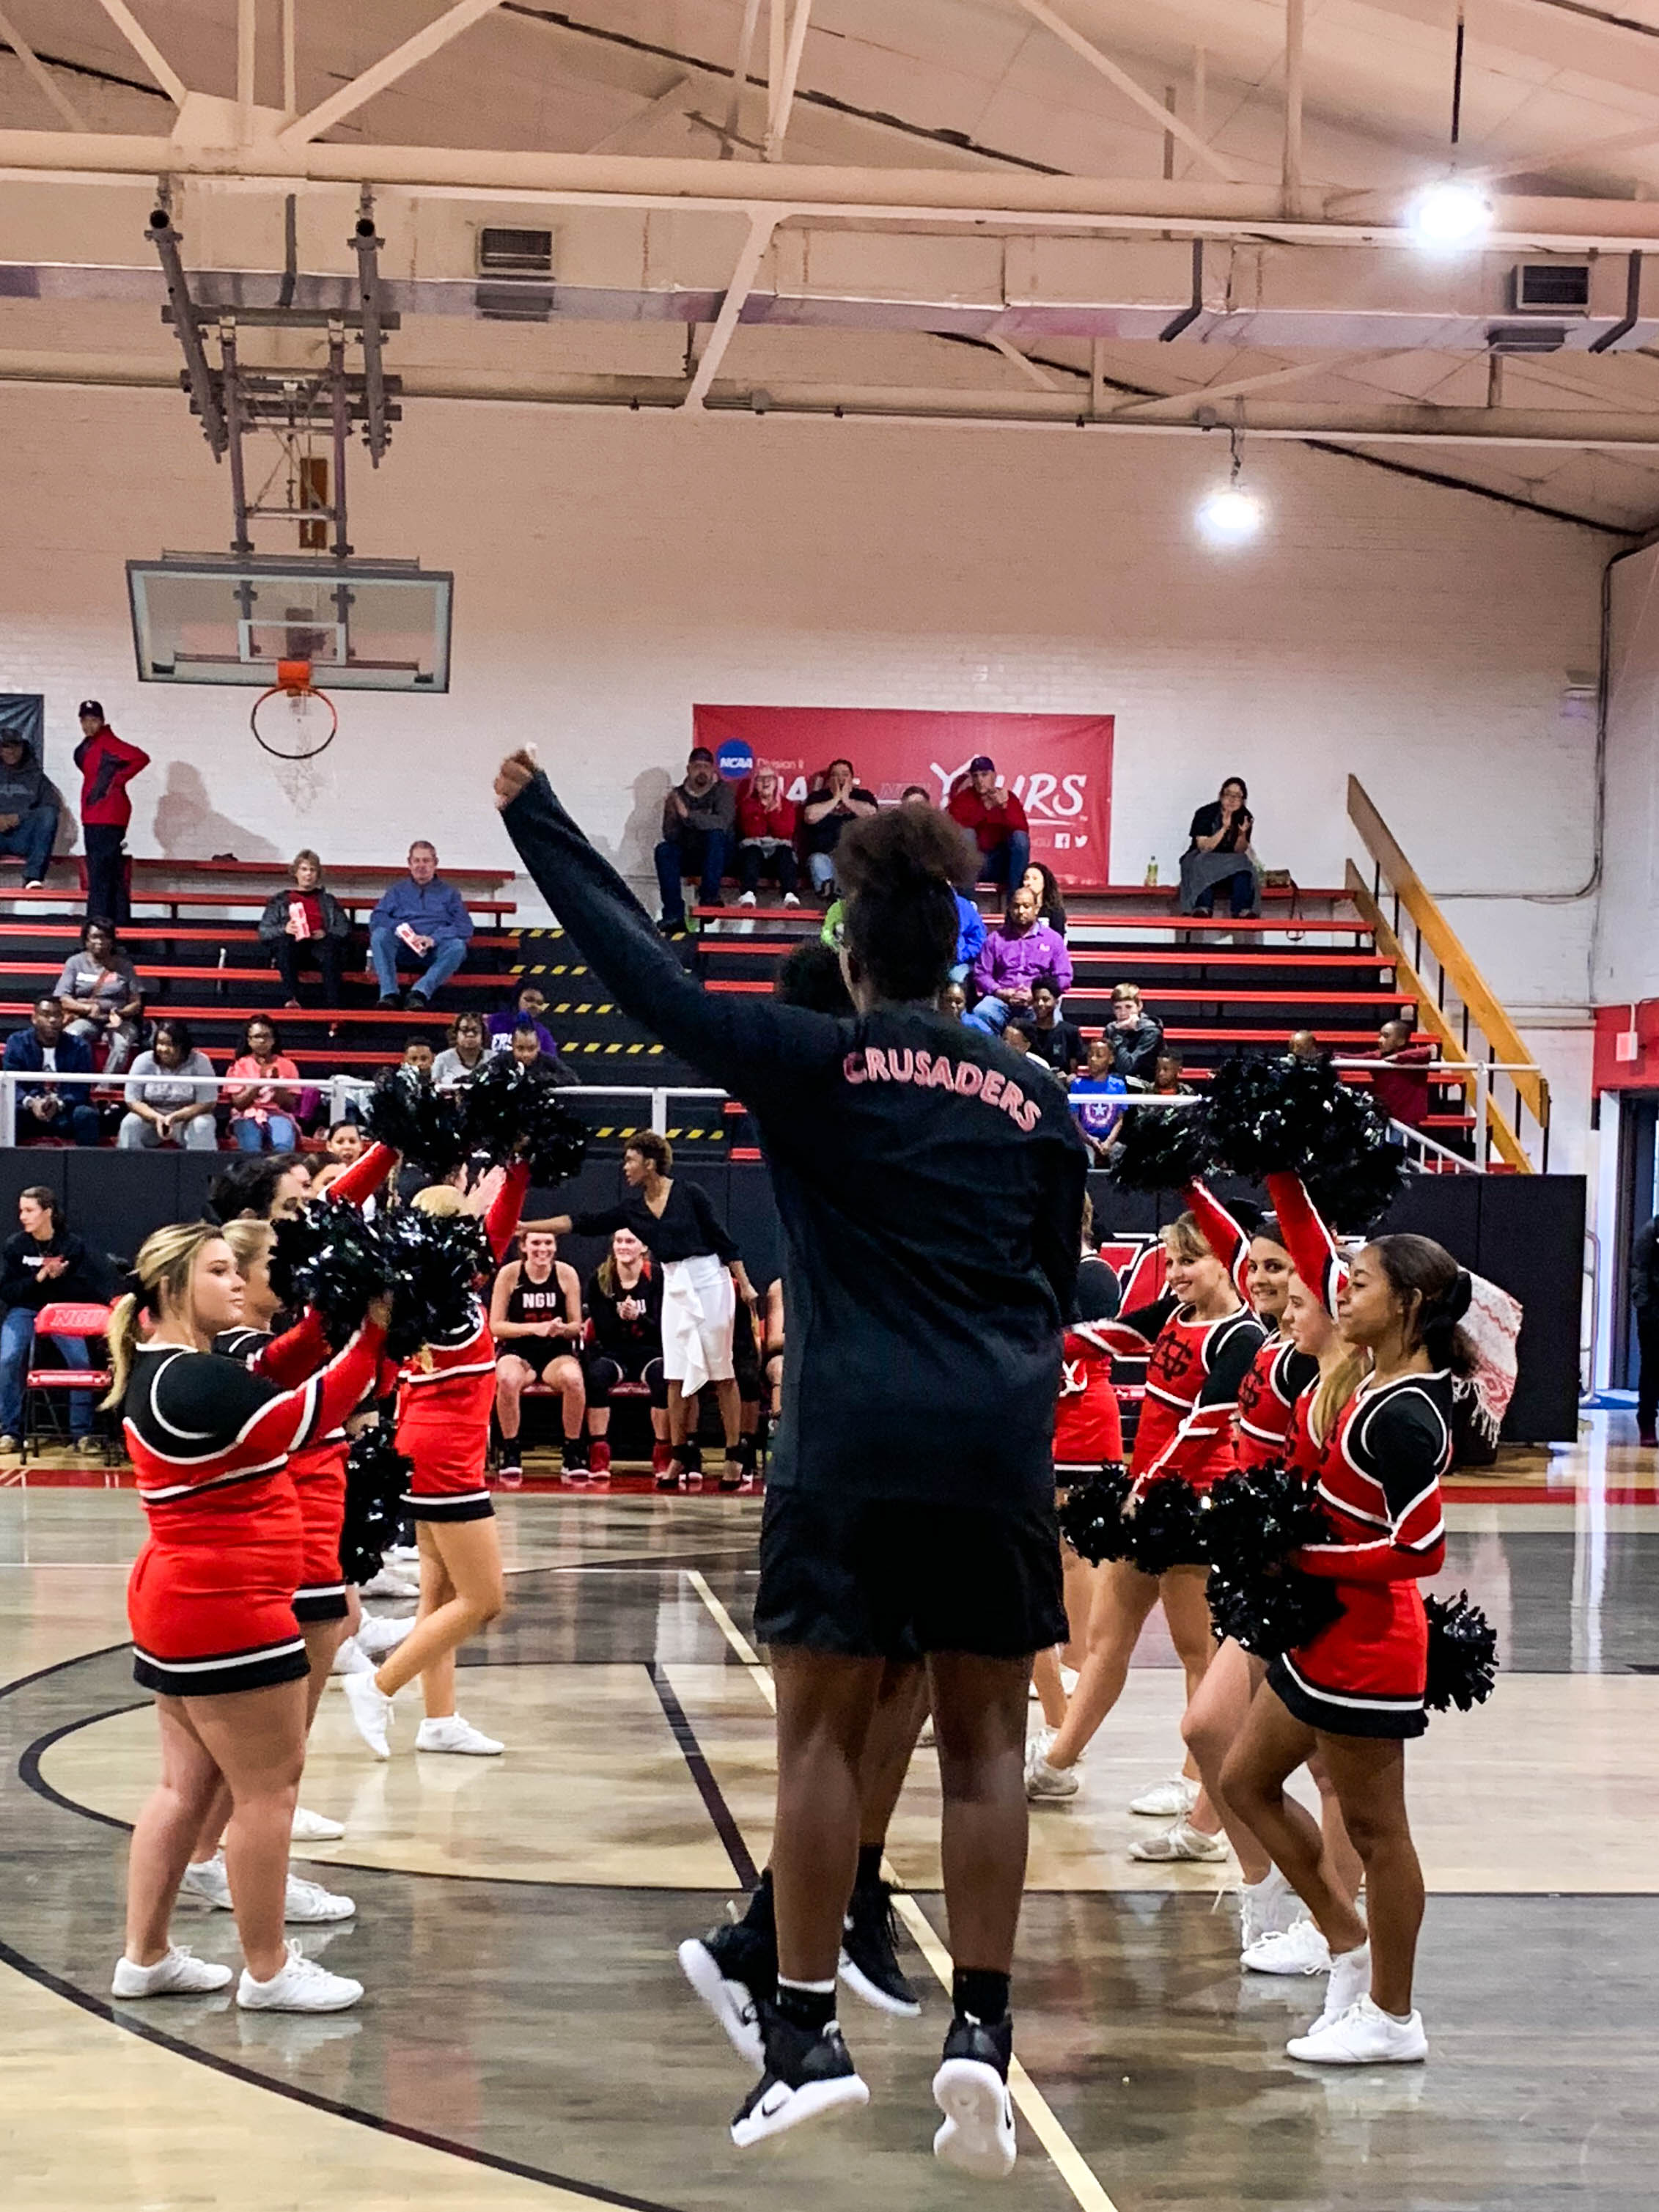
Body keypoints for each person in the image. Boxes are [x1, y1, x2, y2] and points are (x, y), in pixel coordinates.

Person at [498, 747, 1088, 2173]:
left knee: (819, 1732)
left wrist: (538, 822)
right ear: (958, 954)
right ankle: (984, 2035)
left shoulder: (818, 1058)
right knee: (989, 1741)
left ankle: (807, 2030)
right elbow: (1057, 1287)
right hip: (998, 1434)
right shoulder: (1037, 1093)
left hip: (856, 1432)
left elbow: (651, 984)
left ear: (852, 950)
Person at [106, 1221, 388, 2016]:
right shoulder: (193, 1381)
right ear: (171, 1288)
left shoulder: (176, 1371)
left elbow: (291, 1367)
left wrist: (360, 1329)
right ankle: (267, 1969)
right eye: (219, 1270)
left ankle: (147, 1956)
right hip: (224, 1605)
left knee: (184, 1786)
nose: (237, 1282)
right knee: (269, 1788)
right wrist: (377, 1327)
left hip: (185, 1599)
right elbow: (320, 1406)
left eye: (239, 1267)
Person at [1221, 1235, 1469, 2067]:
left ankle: (1393, 2015)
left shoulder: (1409, 1410)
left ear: (1406, 1304)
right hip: (1321, 1634)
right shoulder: (1368, 1382)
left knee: (1377, 1831)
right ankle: (1344, 1937)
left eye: (1357, 1285)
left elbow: (1422, 1546)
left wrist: (1304, 1559)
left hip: (1369, 1646)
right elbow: (1308, 1239)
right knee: (1243, 1781)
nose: (1339, 1294)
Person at [1026, 1209, 1263, 1853]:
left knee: (1197, 1651)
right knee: (1106, 1640)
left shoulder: (1239, 1335)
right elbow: (1101, 1339)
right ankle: (1056, 1764)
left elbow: (1204, 1426)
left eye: (1190, 1259)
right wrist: (1026, 1345)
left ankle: (1196, 1782)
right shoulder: (1172, 1315)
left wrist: (1144, 1485)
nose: (1177, 1273)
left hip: (1194, 1504)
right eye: (1172, 1260)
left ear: (1225, 1262)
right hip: (1147, 1497)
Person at [340, 1162, 530, 1763]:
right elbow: (491, 1240)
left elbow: (497, 1234)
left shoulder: (437, 1291)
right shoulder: (443, 1304)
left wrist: (519, 1168)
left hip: (429, 1447)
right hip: (444, 1457)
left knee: (439, 1592)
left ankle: (440, 1720)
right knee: (484, 1599)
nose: (480, 1233)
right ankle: (377, 1684)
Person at [535, 1133, 756, 1493]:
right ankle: (679, 1453)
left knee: (721, 1370)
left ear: (650, 1163)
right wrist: (529, 1226)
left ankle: (733, 1455)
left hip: (708, 1279)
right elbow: (583, 1222)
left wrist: (743, 1284)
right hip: (674, 1283)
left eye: (630, 1160)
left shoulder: (691, 1193)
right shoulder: (633, 1210)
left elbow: (723, 1240)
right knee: (676, 1374)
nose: (625, 1167)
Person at [0, 1186, 97, 1452]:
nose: (23, 1217)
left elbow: (87, 1291)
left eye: (30, 1211)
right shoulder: (15, 1245)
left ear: (48, 1213)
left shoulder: (72, 1246)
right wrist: (38, 1278)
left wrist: (61, 1277)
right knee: (8, 1358)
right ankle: (10, 1431)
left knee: (80, 1361)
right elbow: (7, 1291)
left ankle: (82, 1435)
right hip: (25, 1309)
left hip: (62, 1310)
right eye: (21, 1211)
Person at [492, 1228, 586, 1484]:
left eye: (548, 1243)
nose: (542, 1249)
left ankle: (572, 1451)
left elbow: (576, 1325)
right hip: (518, 1350)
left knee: (574, 1379)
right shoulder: (510, 1274)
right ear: (523, 1247)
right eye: (535, 1243)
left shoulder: (566, 1274)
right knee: (507, 1380)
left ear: (555, 1247)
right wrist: (534, 1329)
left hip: (554, 1351)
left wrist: (560, 1328)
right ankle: (512, 1450)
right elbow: (496, 1326)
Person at [583, 1226, 670, 1479]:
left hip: (650, 1350)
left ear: (643, 1247)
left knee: (662, 1376)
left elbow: (665, 1328)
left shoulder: (658, 1277)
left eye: (630, 1241)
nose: (623, 1246)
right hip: (615, 1351)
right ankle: (599, 1453)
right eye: (619, 1241)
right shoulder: (600, 1278)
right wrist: (619, 1317)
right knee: (597, 1375)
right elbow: (600, 1330)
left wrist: (639, 1318)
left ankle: (663, 1451)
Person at [368, 841, 473, 1008]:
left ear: (435, 863)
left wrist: (434, 939)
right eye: (417, 861)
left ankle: (419, 992)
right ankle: (389, 994)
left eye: (426, 861)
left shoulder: (450, 893)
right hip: (402, 949)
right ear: (409, 864)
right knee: (380, 936)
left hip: (434, 951)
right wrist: (400, 930)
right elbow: (377, 918)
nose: (421, 866)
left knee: (458, 947)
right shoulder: (397, 891)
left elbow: (465, 927)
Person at [74, 700, 149, 927]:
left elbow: (140, 758)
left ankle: (97, 927)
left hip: (106, 816)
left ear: (102, 721)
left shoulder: (108, 742)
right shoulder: (92, 744)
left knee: (100, 876)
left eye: (93, 720)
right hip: (98, 815)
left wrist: (116, 781)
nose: (88, 725)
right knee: (110, 874)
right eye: (85, 720)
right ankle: (118, 923)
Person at [964, 884, 1073, 1036]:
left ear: (1036, 908)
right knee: (981, 1012)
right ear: (1009, 909)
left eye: (1026, 906)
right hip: (1001, 999)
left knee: (1053, 1019)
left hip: (1036, 1001)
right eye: (1016, 906)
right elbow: (982, 973)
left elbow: (1064, 977)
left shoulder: (1053, 939)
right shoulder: (995, 939)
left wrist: (1037, 994)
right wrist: (1000, 992)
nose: (1021, 911)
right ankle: (993, 1057)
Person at [902, 786, 985, 980]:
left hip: (951, 949)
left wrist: (958, 955)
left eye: (920, 807)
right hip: (911, 905)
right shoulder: (892, 841)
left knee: (956, 979)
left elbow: (978, 939)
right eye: (910, 807)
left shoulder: (942, 837)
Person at [656, 746, 738, 935]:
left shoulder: (721, 791)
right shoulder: (677, 795)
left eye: (706, 767)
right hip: (691, 854)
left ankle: (709, 899)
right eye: (697, 766)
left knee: (715, 836)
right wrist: (674, 813)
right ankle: (674, 915)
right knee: (664, 850)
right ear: (689, 769)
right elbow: (670, 834)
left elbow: (723, 822)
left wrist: (688, 816)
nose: (702, 771)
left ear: (712, 770)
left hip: (720, 858)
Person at [259, 850, 351, 1008]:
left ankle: (333, 1006)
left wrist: (326, 933)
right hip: (292, 945)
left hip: (320, 945)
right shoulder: (280, 900)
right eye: (304, 869)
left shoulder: (328, 900)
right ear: (296, 872)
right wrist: (284, 929)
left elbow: (344, 928)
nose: (308, 874)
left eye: (312, 870)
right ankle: (292, 998)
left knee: (330, 949)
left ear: (318, 874)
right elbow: (264, 931)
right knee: (285, 945)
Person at [54, 915, 144, 1076]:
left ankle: (104, 1090)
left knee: (122, 1044)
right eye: (95, 937)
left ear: (111, 940)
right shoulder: (75, 963)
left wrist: (120, 1013)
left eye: (105, 937)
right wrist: (87, 1008)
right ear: (86, 940)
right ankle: (78, 1084)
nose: (100, 942)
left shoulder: (124, 965)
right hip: (86, 1018)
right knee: (72, 1036)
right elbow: (63, 998)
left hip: (119, 1021)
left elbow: (136, 1002)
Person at [4, 996, 99, 1145]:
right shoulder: (17, 1042)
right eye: (47, 1015)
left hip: (64, 1110)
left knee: (86, 1115)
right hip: (27, 1110)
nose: (53, 1020)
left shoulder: (79, 1046)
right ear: (34, 1018)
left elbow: (81, 1088)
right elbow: (11, 1084)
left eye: (57, 1015)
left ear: (64, 1019)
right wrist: (31, 1102)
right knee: (6, 1114)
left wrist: (59, 1103)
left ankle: (87, 1166)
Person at [119, 1018, 219, 1152]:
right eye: (160, 1043)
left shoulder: (201, 1062)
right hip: (151, 1118)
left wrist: (175, 1117)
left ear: (183, 1046)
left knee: (203, 1124)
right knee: (130, 1123)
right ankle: (129, 1170)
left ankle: (200, 1170)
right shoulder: (143, 1061)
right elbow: (132, 1100)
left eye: (170, 1044)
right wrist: (157, 1118)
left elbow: (208, 1102)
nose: (163, 1049)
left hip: (187, 1119)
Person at [1180, 775, 1259, 919]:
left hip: (1229, 863)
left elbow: (1239, 850)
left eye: (1237, 796)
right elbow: (1204, 846)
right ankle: (1202, 906)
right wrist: (1224, 828)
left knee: (1245, 866)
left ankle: (1242, 909)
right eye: (1228, 794)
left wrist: (1242, 834)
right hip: (1204, 857)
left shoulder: (1245, 816)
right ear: (1221, 795)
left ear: (1243, 800)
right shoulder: (1205, 813)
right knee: (1201, 862)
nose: (1232, 799)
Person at [947, 756, 1030, 892]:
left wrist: (1004, 807)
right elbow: (955, 830)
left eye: (984, 775)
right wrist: (985, 810)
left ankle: (1015, 902)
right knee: (967, 834)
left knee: (1020, 838)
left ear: (994, 776)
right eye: (976, 776)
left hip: (1001, 863)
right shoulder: (963, 799)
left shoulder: (1008, 798)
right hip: (973, 864)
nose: (980, 780)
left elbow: (1022, 830)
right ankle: (968, 905)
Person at [800, 758, 878, 900]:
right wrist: (836, 798)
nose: (840, 779)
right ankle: (830, 891)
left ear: (852, 779)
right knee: (817, 860)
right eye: (835, 775)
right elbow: (810, 817)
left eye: (845, 775)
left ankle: (844, 893)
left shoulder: (863, 796)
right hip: (826, 856)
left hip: (854, 856)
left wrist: (847, 800)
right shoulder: (817, 797)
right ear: (829, 779)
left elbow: (871, 814)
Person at [225, 1018, 301, 1153]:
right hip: (246, 1116)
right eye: (257, 1037)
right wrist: (259, 1082)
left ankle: (279, 1175)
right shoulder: (239, 1065)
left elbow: (290, 1106)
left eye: (266, 1036)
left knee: (283, 1146)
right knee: (252, 1146)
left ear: (273, 1040)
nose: (261, 1041)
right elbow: (238, 1104)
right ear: (249, 1041)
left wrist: (276, 1084)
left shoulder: (288, 1066)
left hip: (280, 1115)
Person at [0, 725, 60, 886]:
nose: (11, 751)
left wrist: (18, 818)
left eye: (16, 747)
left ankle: (33, 878)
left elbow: (52, 806)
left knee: (48, 814)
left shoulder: (37, 777)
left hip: (22, 837)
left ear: (22, 749)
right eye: (6, 747)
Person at [736, 765, 801, 905]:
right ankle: (748, 894)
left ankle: (790, 895)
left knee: (785, 853)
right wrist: (768, 811)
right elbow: (752, 831)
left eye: (770, 778)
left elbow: (785, 832)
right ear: (755, 784)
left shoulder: (786, 805)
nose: (765, 782)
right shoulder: (747, 804)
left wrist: (769, 814)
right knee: (751, 853)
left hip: (778, 852)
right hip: (754, 849)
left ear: (776, 782)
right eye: (760, 778)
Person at [1370, 1018, 1437, 1132]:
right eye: (1380, 1036)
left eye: (1386, 1036)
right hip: (1384, 1116)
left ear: (1401, 1041)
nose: (1380, 1040)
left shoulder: (1414, 1058)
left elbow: (1428, 1051)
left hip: (1406, 1118)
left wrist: (1398, 1058)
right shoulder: (1377, 1056)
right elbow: (1351, 1057)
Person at [1067, 1037, 1128, 1158]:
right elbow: (1074, 1118)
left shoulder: (1118, 1086)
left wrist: (1109, 1141)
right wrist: (1089, 1139)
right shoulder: (1078, 1085)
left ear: (1110, 1059)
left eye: (1099, 1056)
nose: (1093, 1059)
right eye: (1090, 1056)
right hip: (1084, 1139)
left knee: (1121, 1153)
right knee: (1083, 1154)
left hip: (1111, 1140)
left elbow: (1120, 1119)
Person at [1632, 1211, 1659, 1449]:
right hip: (1654, 1311)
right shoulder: (1651, 1232)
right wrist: (1645, 1306)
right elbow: (1640, 1271)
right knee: (1652, 1368)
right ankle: (1647, 1422)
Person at [1103, 982, 1163, 1082]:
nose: (1123, 1013)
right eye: (1118, 1008)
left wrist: (1119, 1034)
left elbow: (1126, 1068)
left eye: (1128, 1007)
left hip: (1145, 1087)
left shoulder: (1151, 1032)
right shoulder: (1111, 1029)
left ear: (1139, 1006)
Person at [1027, 978, 1084, 1076]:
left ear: (1057, 1002)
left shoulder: (1070, 1032)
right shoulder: (1026, 1032)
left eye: (1045, 1000)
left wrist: (1068, 1078)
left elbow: (1073, 1072)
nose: (1040, 1004)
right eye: (1036, 1000)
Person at [487, 983, 558, 1058]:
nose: (534, 1005)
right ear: (518, 1000)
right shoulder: (495, 1021)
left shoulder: (543, 1034)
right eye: (529, 1000)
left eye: (539, 1003)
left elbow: (551, 1064)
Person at [433, 1010, 488, 1087]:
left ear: (483, 1034)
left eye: (475, 1031)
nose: (470, 1035)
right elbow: (435, 1087)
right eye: (464, 1030)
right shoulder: (442, 1059)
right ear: (455, 1034)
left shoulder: (494, 1058)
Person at [1021, 861, 1067, 938]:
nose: (1029, 882)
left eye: (1035, 878)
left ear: (1045, 882)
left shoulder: (1054, 911)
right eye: (1026, 878)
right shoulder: (1017, 910)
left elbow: (1058, 940)